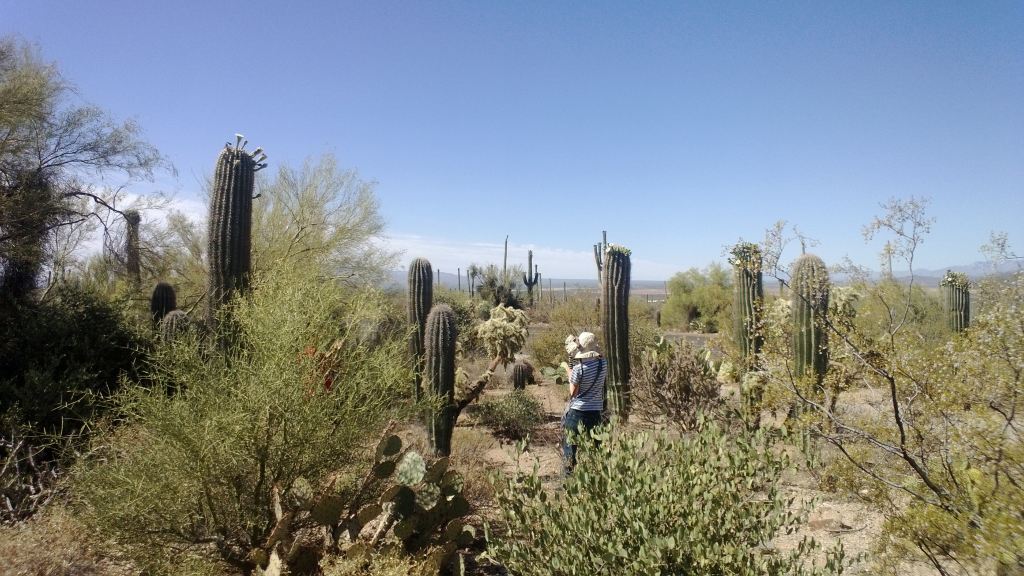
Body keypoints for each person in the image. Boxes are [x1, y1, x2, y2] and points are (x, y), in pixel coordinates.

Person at [562, 331, 606, 474]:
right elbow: (596, 357)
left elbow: (573, 392)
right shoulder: (603, 364)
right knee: (597, 448)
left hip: (578, 413)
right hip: (595, 412)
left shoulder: (578, 368)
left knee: (570, 448)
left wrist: (567, 369)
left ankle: (568, 480)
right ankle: (598, 477)